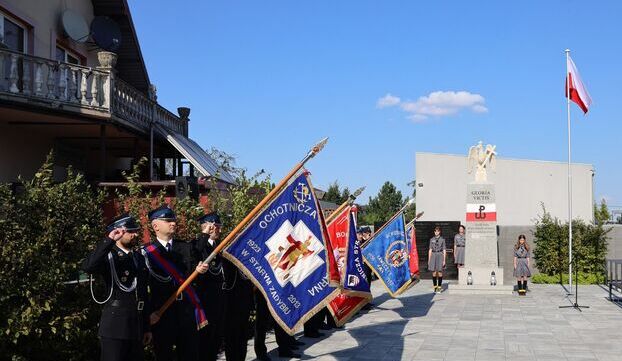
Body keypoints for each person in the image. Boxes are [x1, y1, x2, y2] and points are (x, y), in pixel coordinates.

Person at [142, 205, 208, 361]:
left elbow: (194, 276)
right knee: (164, 354)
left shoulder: (185, 247)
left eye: (173, 220)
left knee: (190, 353)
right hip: (162, 312)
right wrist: (147, 314)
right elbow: (142, 288)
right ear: (155, 225)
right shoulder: (147, 252)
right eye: (168, 220)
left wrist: (199, 271)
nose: (173, 223)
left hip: (186, 310)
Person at [83, 214, 151, 361]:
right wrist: (109, 240)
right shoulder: (109, 256)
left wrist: (146, 327)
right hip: (116, 324)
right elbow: (88, 267)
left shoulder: (138, 258)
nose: (135, 234)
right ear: (117, 232)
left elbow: (143, 294)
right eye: (130, 231)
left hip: (136, 324)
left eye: (136, 231)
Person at [195, 212, 227, 361]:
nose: (219, 230)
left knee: (216, 338)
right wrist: (204, 234)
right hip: (205, 299)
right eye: (216, 227)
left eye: (219, 227)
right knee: (204, 340)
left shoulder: (219, 247)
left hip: (219, 298)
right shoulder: (199, 245)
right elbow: (196, 252)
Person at [254, 288, 301, 360]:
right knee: (261, 322)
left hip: (277, 289)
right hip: (262, 289)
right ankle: (261, 353)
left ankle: (284, 349)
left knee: (280, 319)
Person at [428, 226, 446, 293]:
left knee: (440, 272)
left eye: (438, 231)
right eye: (435, 231)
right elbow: (430, 249)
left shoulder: (442, 239)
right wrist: (429, 260)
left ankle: (439, 287)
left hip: (440, 255)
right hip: (433, 255)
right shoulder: (431, 239)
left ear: (439, 232)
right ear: (434, 232)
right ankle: (435, 287)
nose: (436, 232)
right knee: (434, 272)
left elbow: (444, 250)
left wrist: (444, 260)